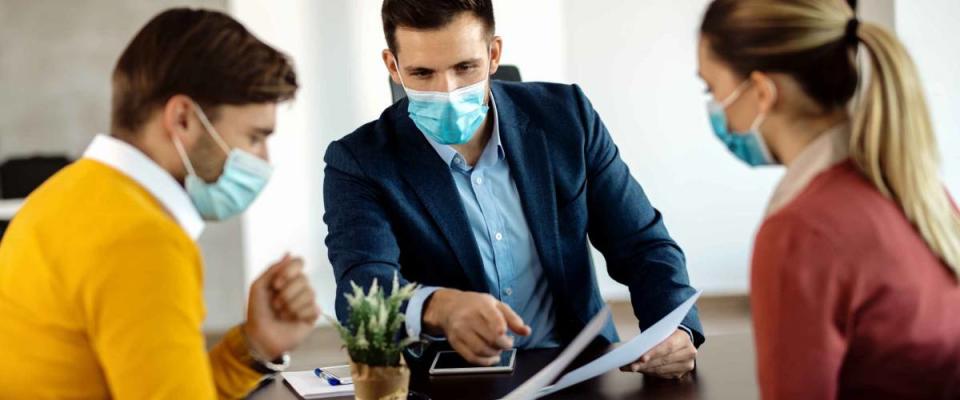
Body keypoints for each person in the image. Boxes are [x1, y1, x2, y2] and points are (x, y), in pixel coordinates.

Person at [324, 0, 703, 378]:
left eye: (465, 67)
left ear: (493, 54)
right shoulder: (359, 161)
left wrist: (673, 327)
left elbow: (642, 243)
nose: (449, 92)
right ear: (393, 67)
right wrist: (437, 307)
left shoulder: (568, 117)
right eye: (423, 74)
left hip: (580, 367)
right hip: (452, 382)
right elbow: (361, 290)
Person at [0, 9, 319, 399]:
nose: (264, 161)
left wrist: (253, 345)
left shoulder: (65, 193)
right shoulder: (141, 239)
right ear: (183, 119)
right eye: (255, 138)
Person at [697, 0, 960, 398]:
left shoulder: (799, 235)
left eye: (711, 88)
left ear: (763, 92)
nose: (714, 108)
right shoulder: (919, 191)